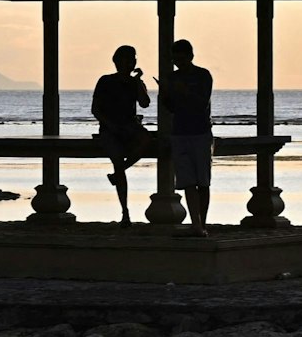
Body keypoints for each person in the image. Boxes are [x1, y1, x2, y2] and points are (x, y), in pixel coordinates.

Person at [92, 44, 153, 224]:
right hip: (110, 129)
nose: (130, 62)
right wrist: (110, 125)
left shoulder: (135, 83)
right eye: (127, 58)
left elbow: (145, 103)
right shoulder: (105, 81)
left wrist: (138, 81)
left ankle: (119, 173)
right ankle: (125, 211)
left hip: (130, 128)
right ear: (117, 61)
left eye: (133, 58)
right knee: (118, 161)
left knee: (147, 140)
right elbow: (96, 110)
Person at [161, 37, 216, 235]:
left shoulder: (203, 76)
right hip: (180, 132)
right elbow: (170, 108)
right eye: (176, 60)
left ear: (191, 57)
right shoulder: (172, 78)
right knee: (187, 181)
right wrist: (166, 94)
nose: (179, 64)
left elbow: (202, 103)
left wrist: (184, 92)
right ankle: (195, 223)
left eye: (182, 59)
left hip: (200, 132)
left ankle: (203, 223)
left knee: (202, 181)